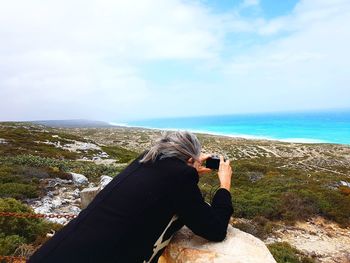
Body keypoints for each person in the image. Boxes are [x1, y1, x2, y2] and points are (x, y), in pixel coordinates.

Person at [28, 130, 233, 263]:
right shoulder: (181, 177)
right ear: (190, 159)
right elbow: (215, 230)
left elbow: (162, 180)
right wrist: (224, 184)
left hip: (56, 252)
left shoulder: (144, 161)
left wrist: (189, 166)